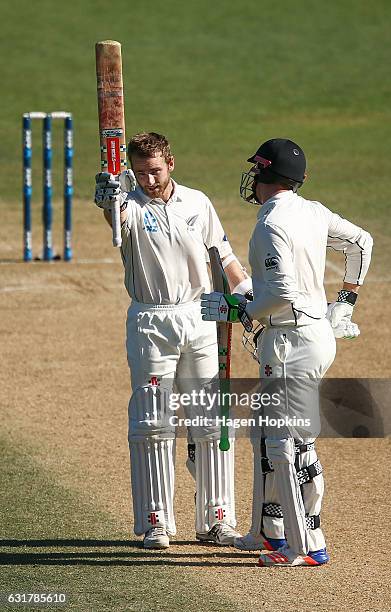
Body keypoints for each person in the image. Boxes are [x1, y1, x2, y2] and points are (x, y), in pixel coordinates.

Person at [201, 138, 373, 566]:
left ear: (261, 176)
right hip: (306, 335)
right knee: (266, 433)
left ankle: (306, 546)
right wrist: (346, 300)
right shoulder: (313, 211)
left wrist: (241, 308)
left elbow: (279, 292)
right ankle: (268, 532)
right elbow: (362, 243)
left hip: (291, 341)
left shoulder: (269, 225)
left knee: (286, 443)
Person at [94, 132, 252, 549]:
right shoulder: (127, 204)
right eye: (141, 173)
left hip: (200, 316)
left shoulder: (198, 203)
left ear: (171, 164)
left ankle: (217, 520)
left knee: (210, 420)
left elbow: (224, 254)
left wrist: (246, 292)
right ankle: (156, 522)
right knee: (152, 423)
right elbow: (116, 220)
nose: (149, 180)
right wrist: (109, 196)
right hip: (151, 319)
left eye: (156, 171)